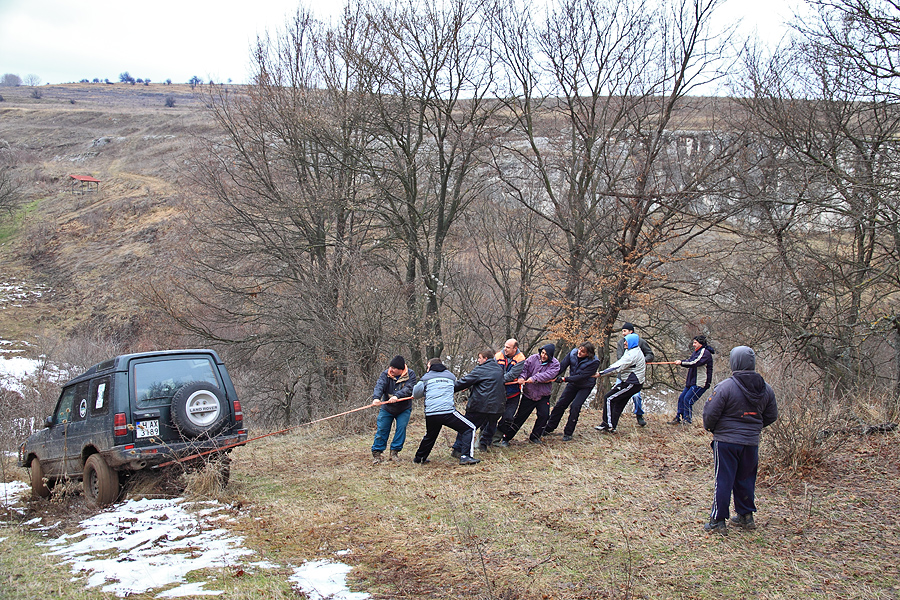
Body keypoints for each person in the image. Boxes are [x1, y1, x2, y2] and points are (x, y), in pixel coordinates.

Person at [702, 346, 778, 534]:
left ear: (734, 362)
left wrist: (714, 429)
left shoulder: (726, 386)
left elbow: (709, 414)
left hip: (726, 442)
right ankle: (746, 516)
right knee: (746, 478)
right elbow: (771, 415)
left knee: (723, 479)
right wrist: (753, 428)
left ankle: (718, 521)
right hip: (751, 442)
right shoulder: (766, 388)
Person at [412, 358, 480, 466]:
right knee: (469, 428)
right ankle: (465, 456)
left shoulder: (425, 378)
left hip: (431, 413)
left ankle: (419, 458)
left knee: (430, 435)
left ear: (431, 367)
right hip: (447, 412)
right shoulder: (451, 376)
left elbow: (416, 394)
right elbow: (454, 387)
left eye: (428, 366)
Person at [497, 344, 560, 446]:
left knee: (544, 415)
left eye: (546, 354)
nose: (543, 356)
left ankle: (535, 436)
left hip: (543, 395)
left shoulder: (555, 364)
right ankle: (507, 437)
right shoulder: (533, 358)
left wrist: (535, 378)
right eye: (542, 353)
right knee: (520, 417)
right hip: (529, 394)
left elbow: (549, 375)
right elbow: (524, 368)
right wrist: (522, 377)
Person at [452, 350, 507, 454]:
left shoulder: (481, 369)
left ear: (485, 359)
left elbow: (464, 381)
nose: (478, 360)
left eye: (479, 358)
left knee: (467, 426)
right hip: (497, 406)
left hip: (480, 405)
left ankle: (458, 449)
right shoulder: (499, 370)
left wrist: (448, 388)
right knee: (491, 425)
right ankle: (483, 444)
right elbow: (487, 382)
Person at [544, 342, 600, 440]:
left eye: (583, 352)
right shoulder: (572, 354)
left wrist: (565, 379)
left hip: (585, 385)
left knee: (575, 406)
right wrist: (551, 376)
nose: (579, 352)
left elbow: (581, 377)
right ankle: (549, 427)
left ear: (588, 353)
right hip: (573, 384)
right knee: (560, 404)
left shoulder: (594, 362)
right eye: (579, 349)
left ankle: (568, 432)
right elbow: (561, 367)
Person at [593, 333, 645, 433]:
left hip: (632, 384)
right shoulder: (631, 351)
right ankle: (612, 426)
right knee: (618, 403)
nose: (624, 343)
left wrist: (600, 373)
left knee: (609, 398)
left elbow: (618, 366)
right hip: (631, 382)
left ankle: (607, 424)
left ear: (631, 342)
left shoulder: (632, 355)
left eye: (626, 341)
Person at [370, 355, 417, 464]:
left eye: (394, 368)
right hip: (387, 408)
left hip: (404, 408)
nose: (391, 370)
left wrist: (397, 396)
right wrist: (376, 398)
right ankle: (377, 453)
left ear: (401, 370)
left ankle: (394, 452)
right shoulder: (385, 374)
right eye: (391, 367)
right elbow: (380, 385)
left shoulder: (411, 374)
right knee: (382, 429)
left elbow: (409, 388)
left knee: (401, 429)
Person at [484, 339, 526, 446]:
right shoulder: (498, 356)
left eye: (508, 347)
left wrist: (498, 380)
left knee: (508, 417)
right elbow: (493, 370)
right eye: (505, 346)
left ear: (515, 349)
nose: (505, 349)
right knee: (491, 416)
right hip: (497, 393)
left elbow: (512, 375)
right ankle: (485, 439)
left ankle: (496, 439)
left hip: (513, 394)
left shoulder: (521, 359)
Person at [670, 335, 715, 425]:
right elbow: (691, 360)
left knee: (688, 399)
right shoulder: (696, 352)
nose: (693, 345)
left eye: (695, 343)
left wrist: (681, 362)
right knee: (682, 398)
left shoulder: (705, 353)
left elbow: (695, 362)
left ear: (701, 343)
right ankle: (678, 418)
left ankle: (687, 421)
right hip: (692, 382)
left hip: (700, 382)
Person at [616, 323, 655, 427]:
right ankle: (614, 417)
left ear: (631, 332)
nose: (623, 333)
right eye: (622, 331)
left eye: (625, 331)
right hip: (622, 375)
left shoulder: (641, 342)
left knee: (636, 396)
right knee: (614, 395)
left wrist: (640, 361)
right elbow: (619, 357)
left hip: (635, 376)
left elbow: (650, 355)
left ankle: (639, 414)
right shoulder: (620, 343)